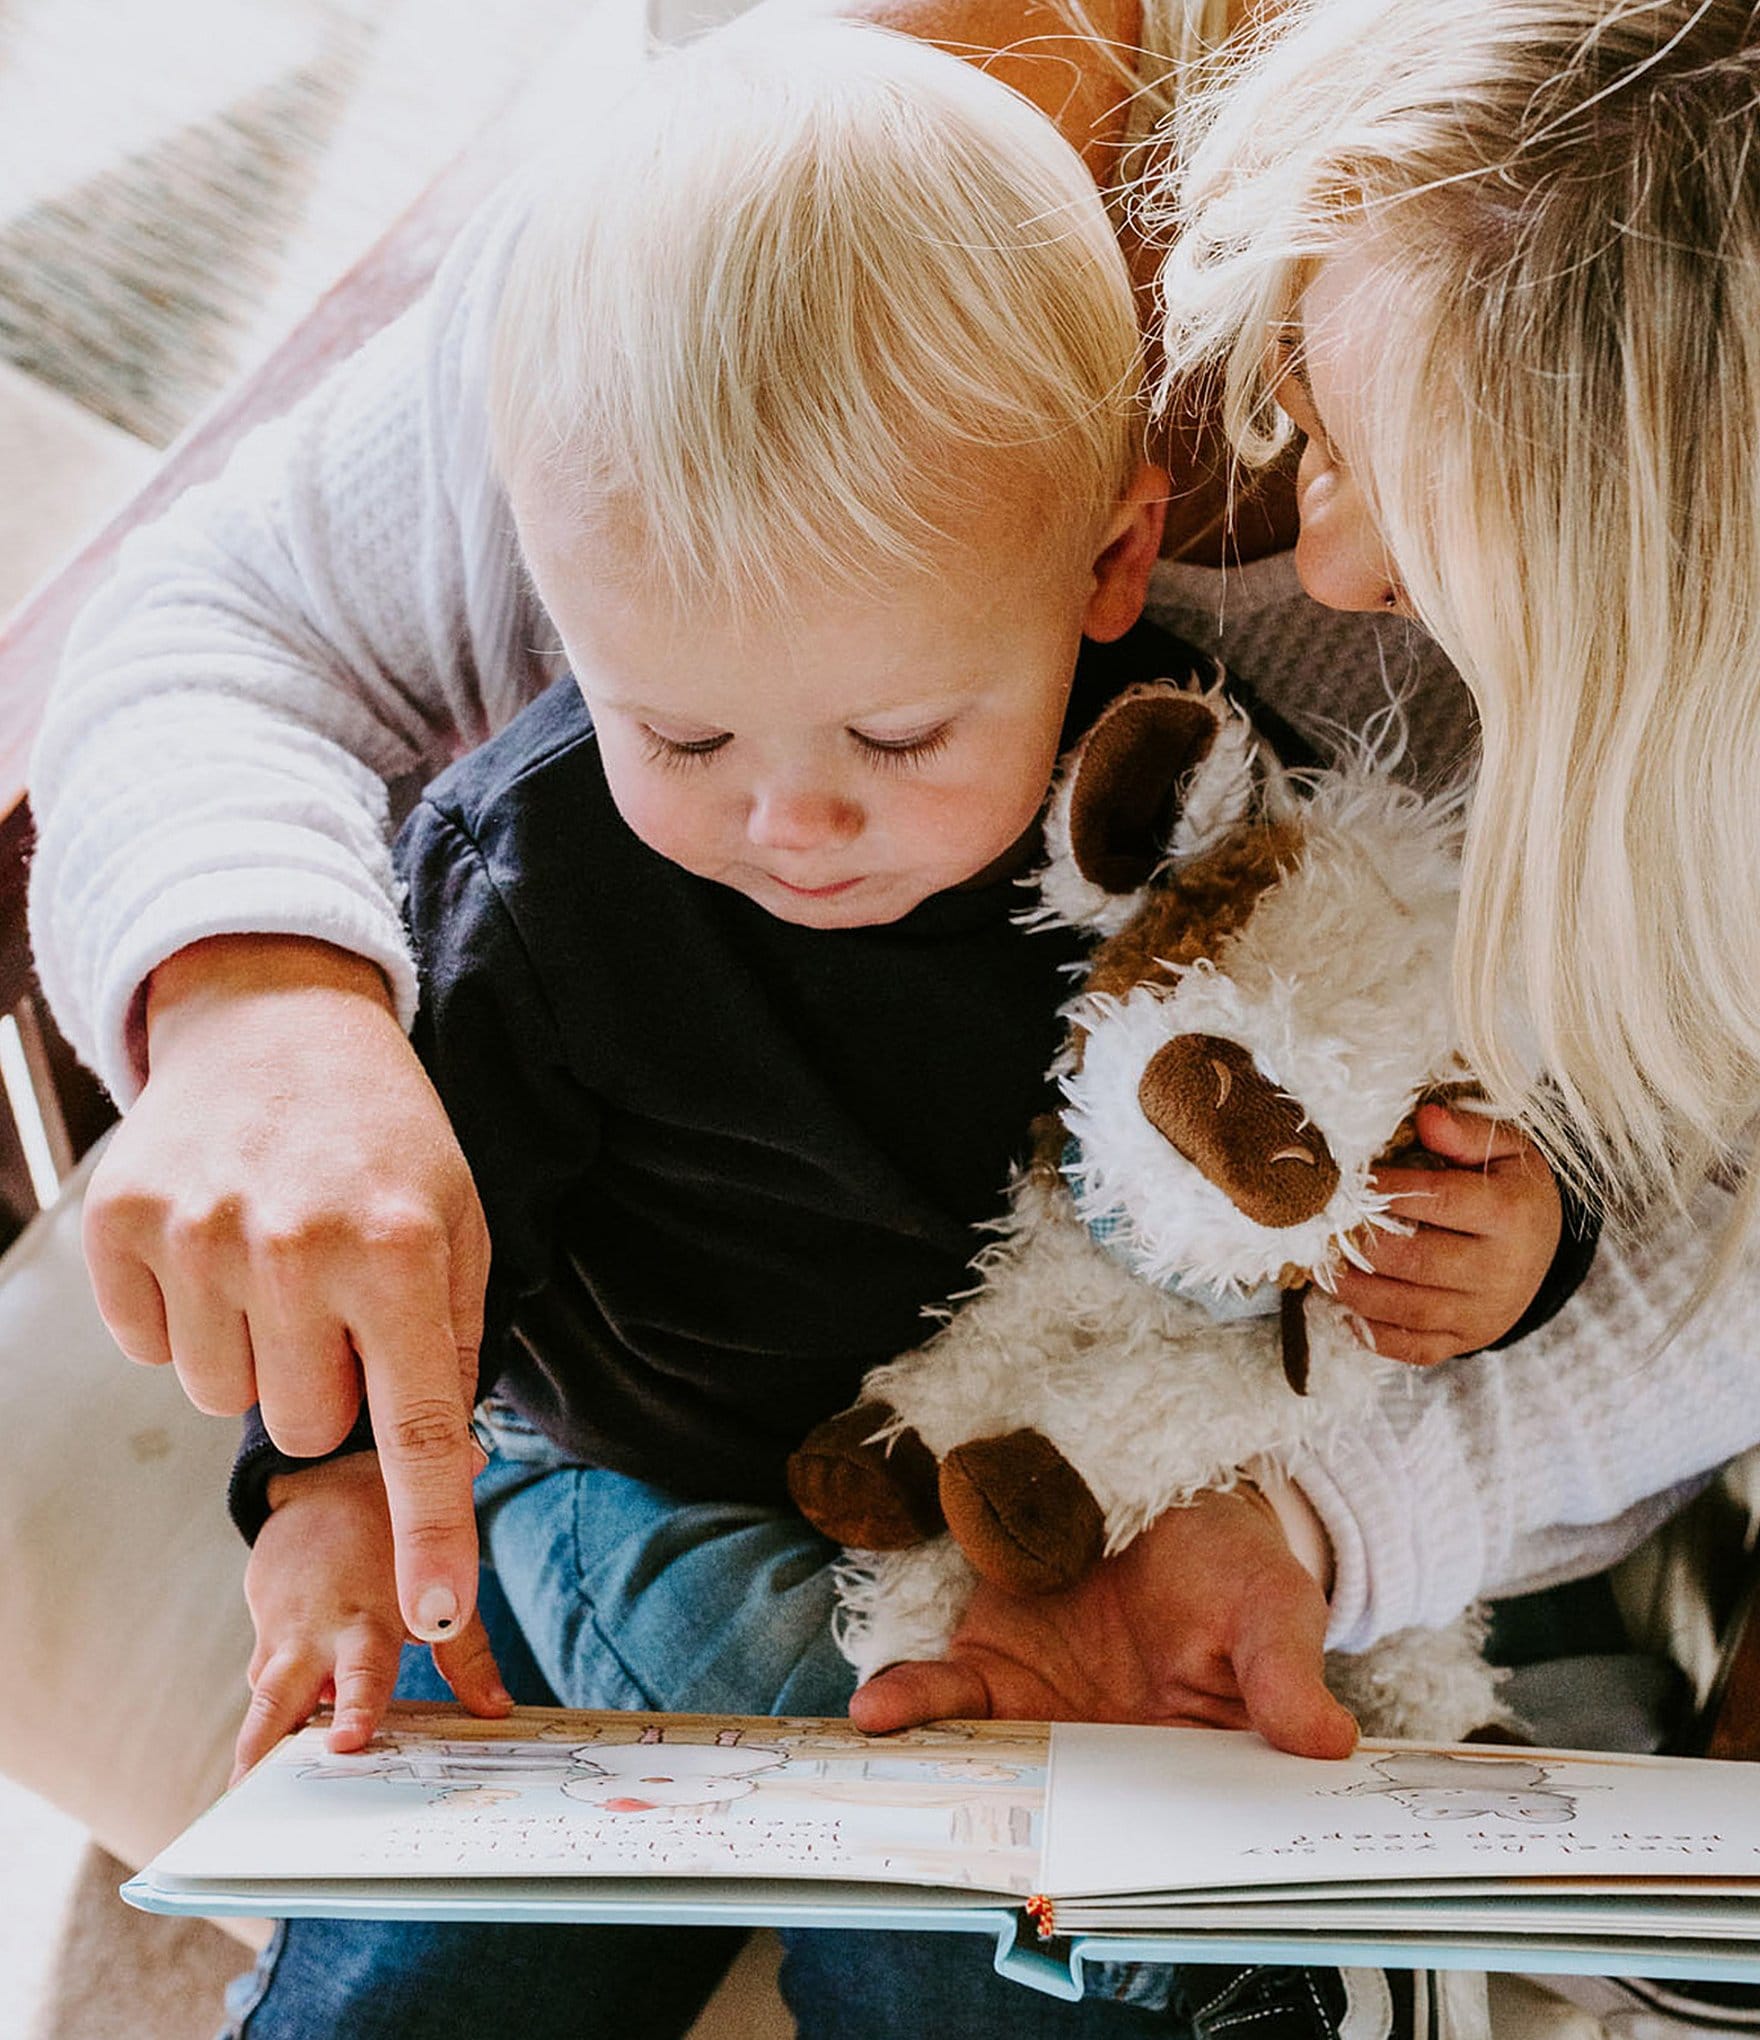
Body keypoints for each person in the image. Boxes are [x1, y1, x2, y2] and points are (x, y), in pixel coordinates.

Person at [21, 0, 1760, 2030]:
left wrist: (1492, 1279)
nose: (1319, 544)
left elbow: (1472, 1126)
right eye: (1305, 389)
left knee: (970, 1917)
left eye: (897, 733)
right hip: (644, 1470)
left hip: (1119, 1456)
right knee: (602, 1857)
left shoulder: (1218, 793)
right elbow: (232, 638)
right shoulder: (750, 272)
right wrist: (258, 1003)